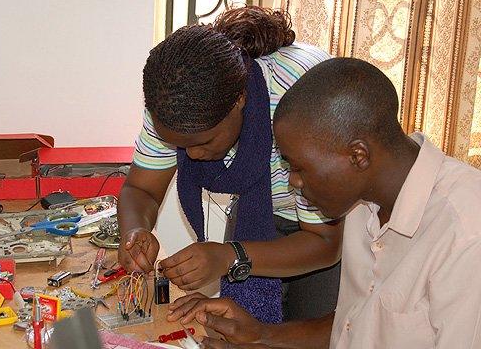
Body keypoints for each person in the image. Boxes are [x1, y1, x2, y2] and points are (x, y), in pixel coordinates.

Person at [167, 57, 481, 348]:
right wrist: (260, 336)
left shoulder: (466, 235)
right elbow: (354, 325)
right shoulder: (362, 203)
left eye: (299, 167)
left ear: (357, 155)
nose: (293, 181)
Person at [118, 5, 342, 324]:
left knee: (308, 331)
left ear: (239, 100)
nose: (191, 156)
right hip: (267, 208)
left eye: (203, 142)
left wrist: (230, 256)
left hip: (326, 222)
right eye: (180, 145)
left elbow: (324, 243)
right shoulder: (172, 104)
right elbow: (141, 189)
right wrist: (135, 229)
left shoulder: (297, 108)